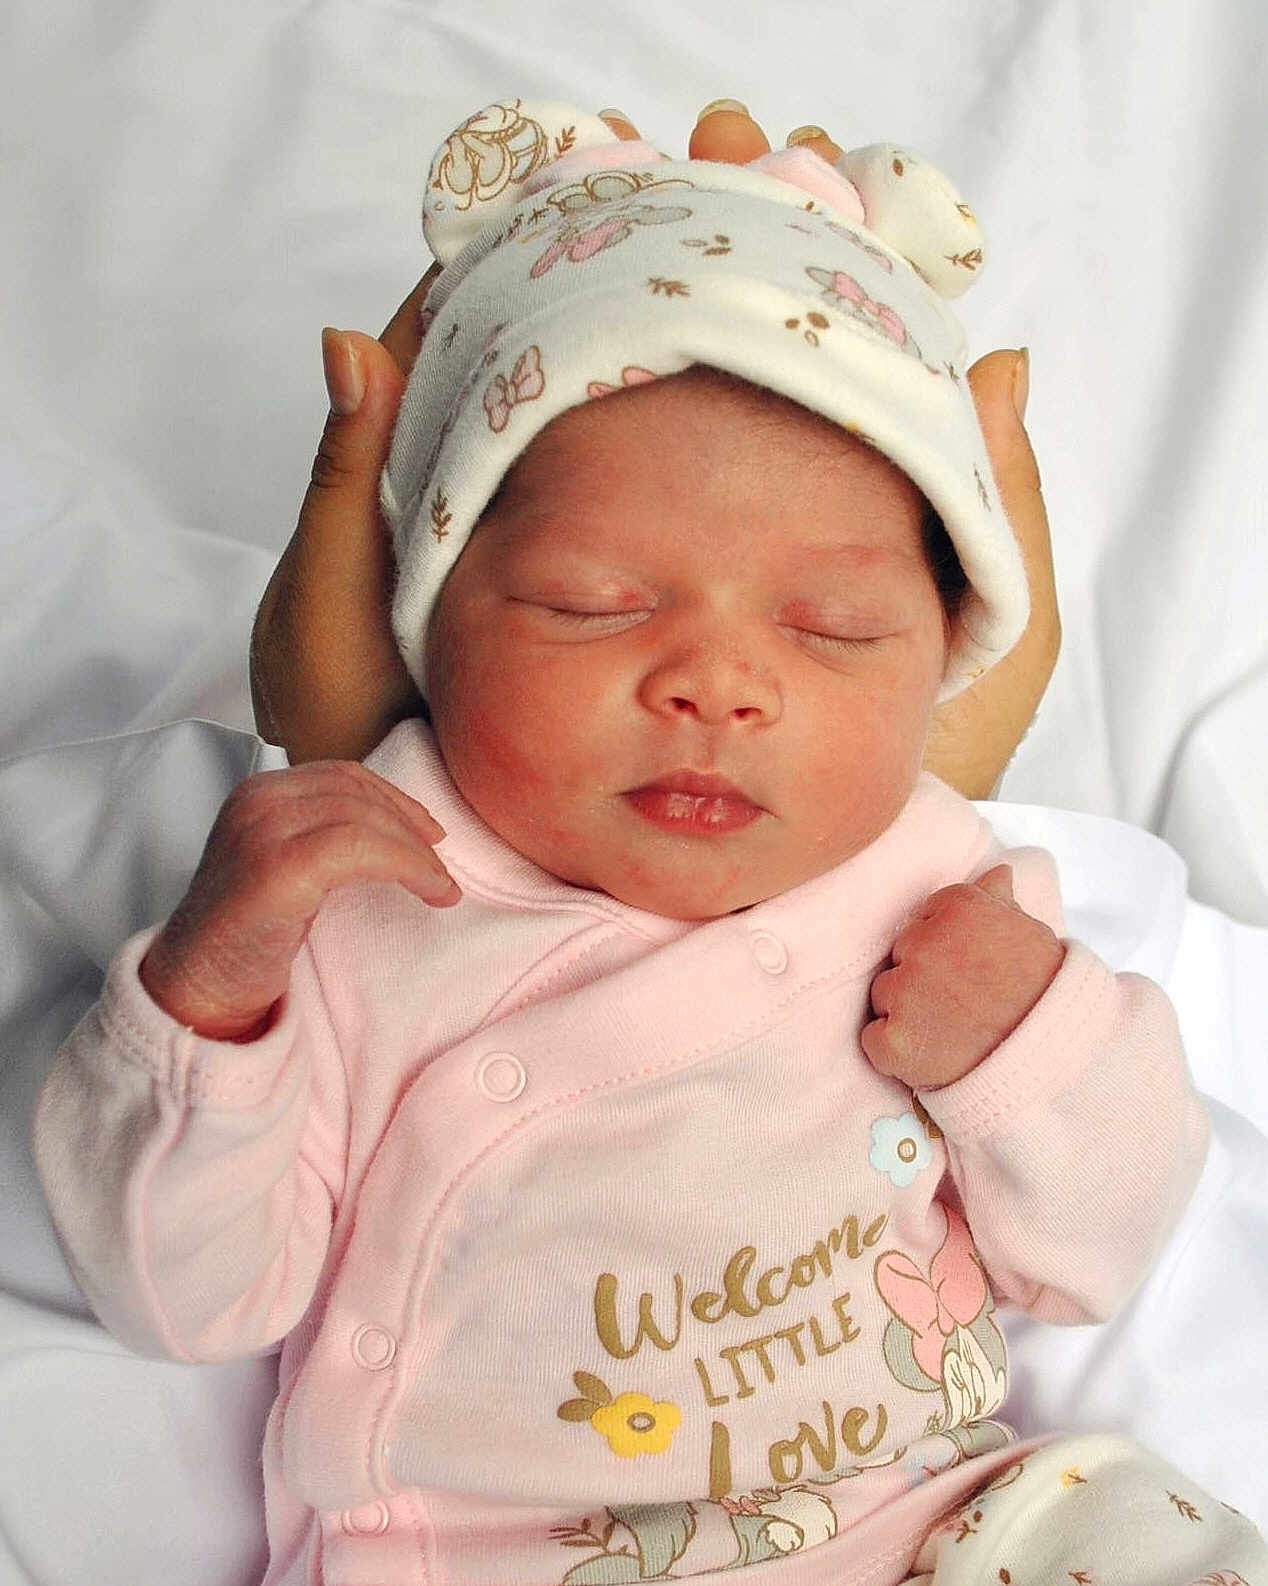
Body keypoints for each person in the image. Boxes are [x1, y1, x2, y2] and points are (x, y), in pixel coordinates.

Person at [32, 99, 1260, 1586]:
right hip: (498, 1556)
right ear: (437, 617)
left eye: (835, 628)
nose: (718, 684)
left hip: (933, 1528)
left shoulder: (947, 888)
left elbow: (1102, 1251)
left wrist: (1037, 1040)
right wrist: (212, 996)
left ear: (938, 655)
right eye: (595, 602)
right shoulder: (367, 903)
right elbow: (186, 1295)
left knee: (1148, 1535)